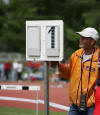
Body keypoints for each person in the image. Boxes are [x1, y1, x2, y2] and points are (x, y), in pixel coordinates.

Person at [55, 27, 99, 115]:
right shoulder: (76, 54)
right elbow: (68, 74)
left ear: (92, 41)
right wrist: (58, 66)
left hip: (92, 105)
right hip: (75, 104)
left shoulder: (99, 58)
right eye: (80, 37)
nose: (80, 39)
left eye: (84, 38)